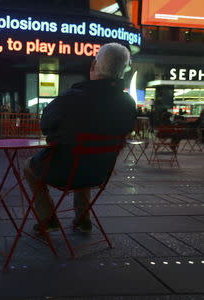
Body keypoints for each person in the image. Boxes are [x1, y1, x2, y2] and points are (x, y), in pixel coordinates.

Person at [24, 43, 136, 233]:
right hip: (99, 172)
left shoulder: (69, 98)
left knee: (29, 167)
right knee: (83, 158)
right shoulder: (128, 104)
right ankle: (83, 218)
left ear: (94, 65)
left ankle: (48, 218)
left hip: (64, 171)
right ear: (123, 71)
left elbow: (45, 126)